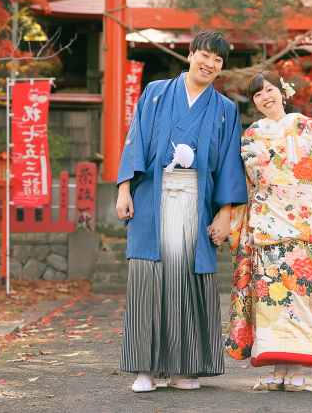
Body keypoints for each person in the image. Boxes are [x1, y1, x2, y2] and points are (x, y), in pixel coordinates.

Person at [115, 29, 248, 393]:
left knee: (187, 284)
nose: (210, 64)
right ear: (190, 54)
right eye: (205, 55)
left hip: (195, 202)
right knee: (148, 281)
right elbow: (135, 140)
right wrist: (124, 189)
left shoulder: (225, 109)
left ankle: (181, 369)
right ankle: (145, 369)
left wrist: (224, 214)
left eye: (218, 61)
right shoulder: (156, 92)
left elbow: (229, 166)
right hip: (151, 199)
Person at [224, 70, 312, 391]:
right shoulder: (250, 137)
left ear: (282, 92)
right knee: (270, 302)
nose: (265, 97)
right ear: (254, 102)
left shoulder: (309, 128)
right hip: (266, 228)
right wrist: (233, 223)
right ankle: (276, 366)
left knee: (302, 301)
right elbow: (241, 183)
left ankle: (297, 367)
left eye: (269, 90)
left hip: (306, 227)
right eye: (257, 94)